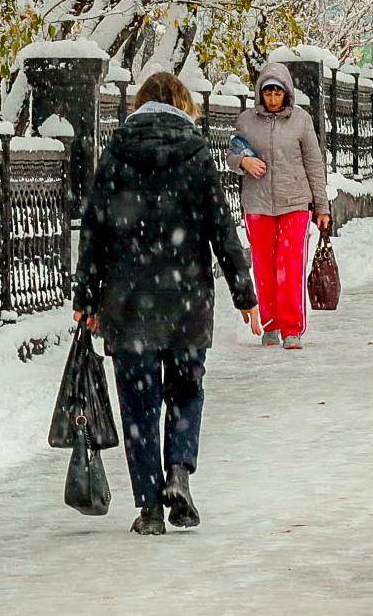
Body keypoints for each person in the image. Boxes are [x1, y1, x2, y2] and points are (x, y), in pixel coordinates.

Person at [73, 71, 258, 536]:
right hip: (186, 297)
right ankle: (178, 470)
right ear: (183, 104)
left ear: (139, 105)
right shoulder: (196, 153)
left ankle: (150, 508)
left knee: (138, 404)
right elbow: (221, 227)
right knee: (186, 389)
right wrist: (244, 293)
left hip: (128, 299)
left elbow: (94, 229)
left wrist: (85, 295)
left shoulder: (116, 153)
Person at [233, 61, 329, 349]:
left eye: (278, 93)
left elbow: (314, 163)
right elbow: (232, 153)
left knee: (290, 266)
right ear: (260, 94)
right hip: (258, 204)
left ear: (287, 93)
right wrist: (243, 162)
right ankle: (270, 325)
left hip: (294, 202)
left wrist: (322, 206)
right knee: (264, 267)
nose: (273, 99)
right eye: (268, 93)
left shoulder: (301, 120)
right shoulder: (246, 121)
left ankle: (291, 328)